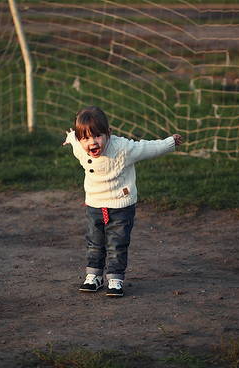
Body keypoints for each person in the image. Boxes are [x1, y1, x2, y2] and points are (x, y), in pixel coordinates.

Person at [63, 105, 183, 297]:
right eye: (85, 138)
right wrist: (70, 137)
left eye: (97, 136)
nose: (92, 142)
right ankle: (94, 276)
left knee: (116, 244)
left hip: (121, 206)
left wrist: (168, 143)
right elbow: (75, 141)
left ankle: (115, 278)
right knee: (94, 242)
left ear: (108, 133)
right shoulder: (81, 148)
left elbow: (146, 148)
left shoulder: (123, 149)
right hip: (94, 205)